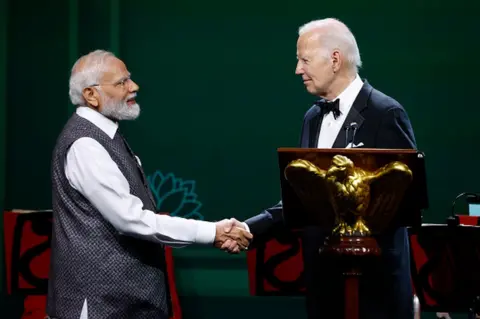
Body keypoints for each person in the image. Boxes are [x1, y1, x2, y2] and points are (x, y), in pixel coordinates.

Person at [222, 18, 417, 318]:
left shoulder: (385, 113)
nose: (297, 70)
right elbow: (304, 197)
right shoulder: (312, 117)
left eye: (304, 60)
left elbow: (405, 203)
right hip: (323, 285)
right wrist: (250, 228)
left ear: (335, 60)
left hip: (374, 290)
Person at [46, 49, 252, 319]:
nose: (134, 87)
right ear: (91, 95)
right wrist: (212, 232)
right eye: (122, 82)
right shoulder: (86, 144)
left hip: (120, 301)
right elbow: (130, 219)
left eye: (129, 79)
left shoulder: (106, 135)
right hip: (100, 304)